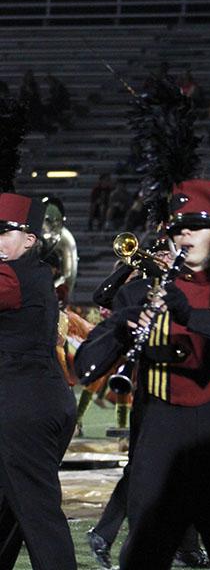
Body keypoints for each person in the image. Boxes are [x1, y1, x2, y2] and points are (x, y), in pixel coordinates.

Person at [75, 178, 210, 570]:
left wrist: (191, 316)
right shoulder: (141, 291)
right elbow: (86, 366)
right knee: (143, 555)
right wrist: (122, 327)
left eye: (197, 226)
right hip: (157, 440)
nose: (184, 233)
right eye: (177, 227)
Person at [0, 192, 77, 570]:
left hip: (21, 408)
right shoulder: (31, 272)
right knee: (9, 512)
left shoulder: (12, 275)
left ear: (29, 239)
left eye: (3, 232)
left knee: (38, 519)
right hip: (39, 400)